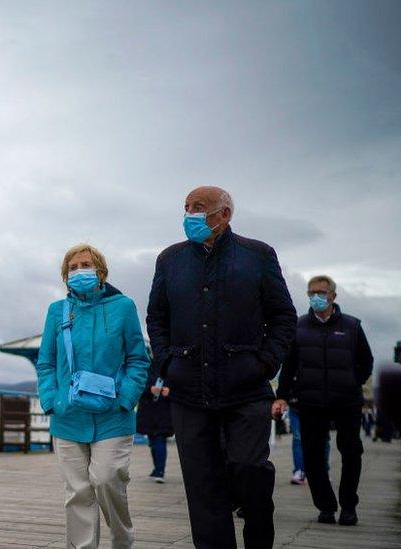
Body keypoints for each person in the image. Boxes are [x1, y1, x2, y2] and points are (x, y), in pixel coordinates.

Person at [146, 186, 296, 549]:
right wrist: (167, 359)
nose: (190, 215)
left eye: (199, 208)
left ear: (224, 214)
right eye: (185, 208)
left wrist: (266, 361)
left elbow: (283, 316)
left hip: (246, 387)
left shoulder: (257, 255)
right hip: (188, 390)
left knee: (249, 470)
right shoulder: (170, 259)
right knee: (202, 487)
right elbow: (156, 317)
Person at [36, 243, 150, 549]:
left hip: (113, 415)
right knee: (78, 491)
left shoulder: (123, 306)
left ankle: (121, 540)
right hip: (68, 416)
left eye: (85, 265)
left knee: (106, 479)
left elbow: (139, 359)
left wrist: (126, 398)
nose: (79, 271)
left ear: (100, 271)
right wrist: (51, 400)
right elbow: (46, 361)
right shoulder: (56, 311)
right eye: (72, 268)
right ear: (65, 275)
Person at [273, 275, 373, 526]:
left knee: (351, 453)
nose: (316, 297)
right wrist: (282, 396)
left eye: (321, 292)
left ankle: (349, 505)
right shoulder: (299, 327)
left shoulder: (351, 326)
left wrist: (353, 382)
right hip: (310, 401)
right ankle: (326, 506)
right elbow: (289, 365)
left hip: (346, 401)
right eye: (311, 293)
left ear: (333, 296)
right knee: (313, 456)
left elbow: (366, 361)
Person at [136, 367, 172, 483]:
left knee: (159, 440)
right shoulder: (146, 368)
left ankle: (160, 470)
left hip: (162, 412)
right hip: (149, 412)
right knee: (153, 442)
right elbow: (137, 389)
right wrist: (149, 390)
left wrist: (169, 392)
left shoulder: (167, 369)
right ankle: (157, 469)